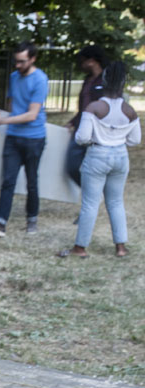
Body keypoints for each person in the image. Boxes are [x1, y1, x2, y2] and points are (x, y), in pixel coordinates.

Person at [58, 61, 140, 259]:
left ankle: (80, 248)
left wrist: (98, 137)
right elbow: (135, 140)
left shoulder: (94, 107)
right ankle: (120, 247)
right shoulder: (129, 110)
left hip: (97, 156)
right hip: (120, 157)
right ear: (123, 83)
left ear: (103, 81)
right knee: (116, 202)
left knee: (90, 204)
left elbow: (82, 137)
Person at [0, 42, 49, 237]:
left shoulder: (40, 80)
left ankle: (32, 220)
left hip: (34, 138)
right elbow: (12, 104)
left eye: (22, 61)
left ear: (33, 59)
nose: (17, 65)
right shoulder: (14, 77)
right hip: (13, 138)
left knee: (32, 181)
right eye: (16, 61)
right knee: (8, 180)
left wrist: (2, 121)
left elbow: (31, 114)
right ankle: (0, 222)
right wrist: (6, 120)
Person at [64, 45, 108, 186]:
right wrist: (72, 121)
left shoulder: (106, 81)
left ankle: (95, 191)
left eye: (83, 61)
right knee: (72, 166)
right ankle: (90, 188)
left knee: (96, 167)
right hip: (81, 128)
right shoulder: (87, 81)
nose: (81, 65)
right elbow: (83, 107)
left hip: (97, 132)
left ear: (92, 60)